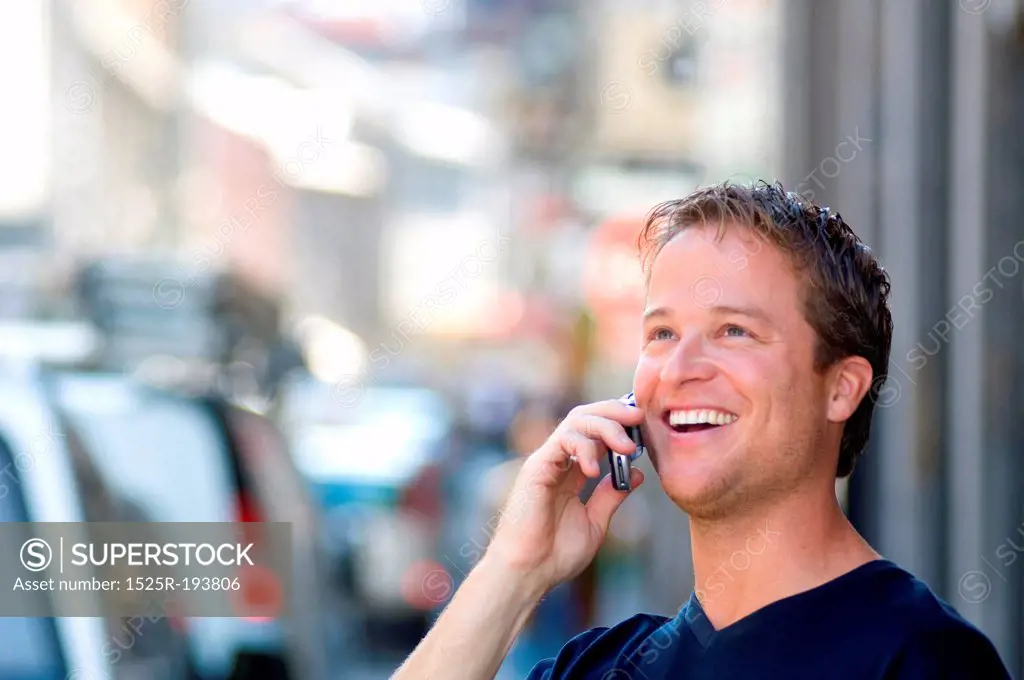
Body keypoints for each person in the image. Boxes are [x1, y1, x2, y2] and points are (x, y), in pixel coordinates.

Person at [391, 181, 1012, 679]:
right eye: (661, 333)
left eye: (733, 331)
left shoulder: (922, 659)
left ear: (841, 387)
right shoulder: (605, 667)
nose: (680, 369)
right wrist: (516, 568)